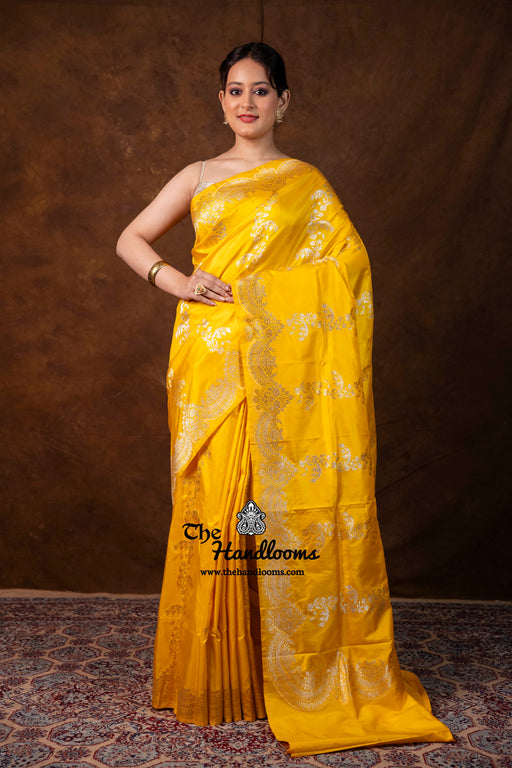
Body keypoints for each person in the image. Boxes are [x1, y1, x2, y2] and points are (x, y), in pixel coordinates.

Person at [116, 42, 453, 757]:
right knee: (216, 506)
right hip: (211, 360)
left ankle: (292, 673)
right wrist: (176, 281)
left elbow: (347, 270)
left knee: (274, 510)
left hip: (285, 371)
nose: (248, 102)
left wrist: (265, 301)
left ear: (283, 101)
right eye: (235, 90)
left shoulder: (307, 183)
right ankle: (221, 678)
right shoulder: (198, 175)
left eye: (261, 91)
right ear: (221, 102)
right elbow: (131, 238)